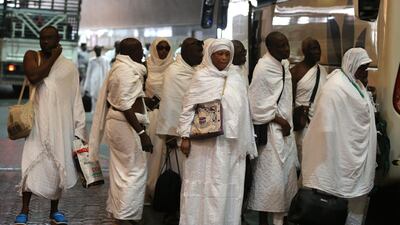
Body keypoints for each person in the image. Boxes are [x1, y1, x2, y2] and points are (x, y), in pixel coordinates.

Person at [177, 38, 257, 225]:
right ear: (210, 55)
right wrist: (184, 137)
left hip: (230, 144)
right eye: (219, 54)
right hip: (203, 145)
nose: (223, 58)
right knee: (201, 186)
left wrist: (246, 140)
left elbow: (245, 111)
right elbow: (188, 107)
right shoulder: (201, 77)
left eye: (227, 54)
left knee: (226, 187)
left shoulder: (236, 78)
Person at [15, 25, 87, 225]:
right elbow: (35, 76)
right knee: (31, 164)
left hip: (61, 126)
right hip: (37, 124)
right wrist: (54, 57)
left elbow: (75, 99)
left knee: (57, 167)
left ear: (58, 39)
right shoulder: (32, 56)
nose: (44, 42)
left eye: (49, 38)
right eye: (42, 38)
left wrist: (79, 128)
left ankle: (54, 211)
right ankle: (24, 210)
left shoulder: (69, 67)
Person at [301, 48, 375, 225]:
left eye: (367, 68)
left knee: (357, 201)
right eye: (362, 68)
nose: (364, 72)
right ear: (351, 65)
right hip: (338, 154)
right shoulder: (334, 88)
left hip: (356, 154)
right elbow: (324, 125)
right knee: (334, 202)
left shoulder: (356, 84)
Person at [89, 38, 153, 225]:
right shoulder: (124, 71)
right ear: (130, 52)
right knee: (134, 171)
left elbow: (127, 97)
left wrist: (145, 102)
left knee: (122, 171)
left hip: (122, 124)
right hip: (125, 126)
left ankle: (120, 213)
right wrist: (142, 133)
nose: (142, 53)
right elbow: (124, 104)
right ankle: (126, 215)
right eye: (139, 49)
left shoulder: (125, 68)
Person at [247, 31, 298, 225]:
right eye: (281, 46)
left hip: (286, 133)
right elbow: (256, 105)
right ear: (270, 48)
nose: (286, 49)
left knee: (285, 180)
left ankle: (281, 220)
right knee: (268, 181)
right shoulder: (263, 68)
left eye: (287, 44)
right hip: (270, 133)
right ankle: (263, 222)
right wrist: (281, 121)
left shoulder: (284, 65)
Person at [148, 37, 203, 199]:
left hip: (197, 130)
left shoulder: (197, 70)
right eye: (197, 52)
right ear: (185, 52)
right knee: (179, 171)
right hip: (177, 132)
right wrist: (171, 133)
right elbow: (171, 104)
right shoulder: (175, 72)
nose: (201, 56)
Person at [144, 38, 174, 203]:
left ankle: (161, 194)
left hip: (168, 117)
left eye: (166, 48)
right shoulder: (145, 67)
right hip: (151, 117)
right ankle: (147, 191)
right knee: (150, 155)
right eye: (160, 48)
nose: (163, 51)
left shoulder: (174, 68)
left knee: (163, 157)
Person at [290, 37, 327, 165]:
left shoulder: (322, 71)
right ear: (304, 51)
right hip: (303, 122)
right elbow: (290, 100)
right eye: (313, 49)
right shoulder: (295, 72)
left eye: (318, 48)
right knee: (304, 157)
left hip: (320, 121)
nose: (317, 52)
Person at [83, 45, 110, 113]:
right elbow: (89, 73)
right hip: (94, 82)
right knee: (94, 98)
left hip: (103, 81)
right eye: (96, 50)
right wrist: (86, 87)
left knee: (102, 98)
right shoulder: (91, 61)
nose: (98, 51)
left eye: (99, 50)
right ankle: (94, 113)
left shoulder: (105, 60)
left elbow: (108, 72)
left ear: (101, 50)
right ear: (94, 51)